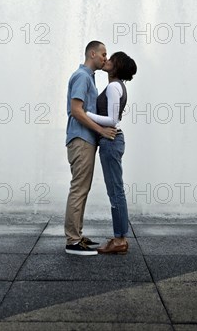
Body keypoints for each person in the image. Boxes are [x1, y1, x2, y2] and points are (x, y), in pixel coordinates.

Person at [64, 40, 118, 256]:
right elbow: (76, 110)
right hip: (81, 139)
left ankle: (76, 234)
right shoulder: (82, 77)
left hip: (85, 139)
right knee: (79, 189)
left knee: (82, 189)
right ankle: (73, 241)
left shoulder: (89, 79)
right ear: (92, 53)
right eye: (104, 54)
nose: (106, 58)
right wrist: (102, 131)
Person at [85, 51, 137, 254]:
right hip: (111, 141)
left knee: (116, 192)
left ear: (117, 66)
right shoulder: (115, 86)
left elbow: (113, 120)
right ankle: (120, 237)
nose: (107, 60)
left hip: (111, 141)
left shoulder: (114, 87)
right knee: (115, 191)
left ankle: (120, 239)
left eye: (111, 59)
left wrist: (84, 113)